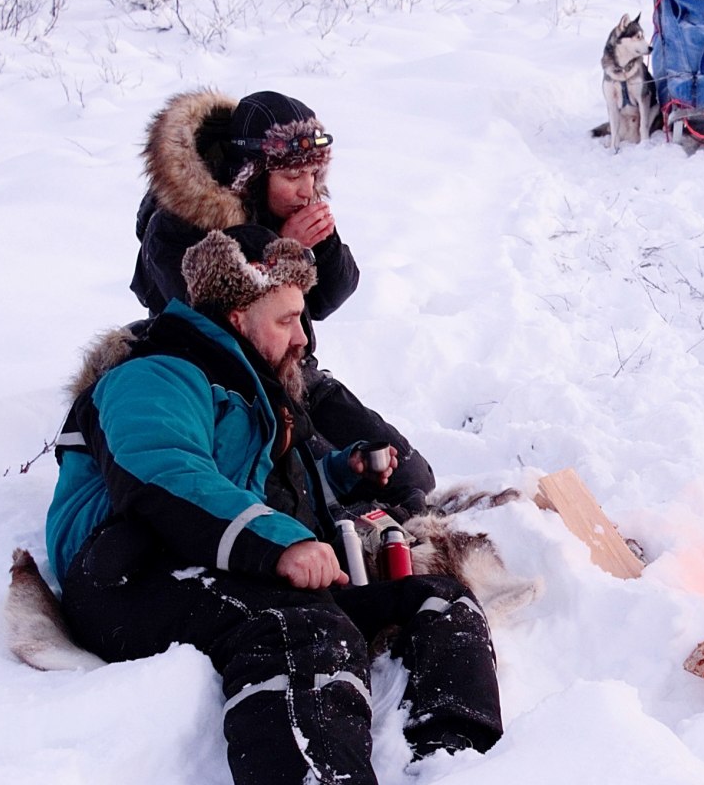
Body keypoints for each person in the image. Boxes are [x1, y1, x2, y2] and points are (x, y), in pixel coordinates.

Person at [48, 227, 502, 784]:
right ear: (237, 315)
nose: (303, 338)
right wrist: (281, 542)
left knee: (441, 600)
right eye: (286, 319)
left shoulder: (249, 390)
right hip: (122, 570)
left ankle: (455, 762)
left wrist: (343, 471)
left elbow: (246, 487)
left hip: (206, 557)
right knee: (299, 630)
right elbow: (163, 475)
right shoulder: (152, 374)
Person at [131, 88, 433, 510]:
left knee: (410, 477)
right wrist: (281, 249)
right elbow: (212, 320)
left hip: (297, 377)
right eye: (293, 177)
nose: (307, 190)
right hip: (229, 398)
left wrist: (320, 246)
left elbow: (330, 298)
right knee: (322, 502)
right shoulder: (177, 223)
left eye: (314, 175)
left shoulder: (291, 206)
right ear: (252, 173)